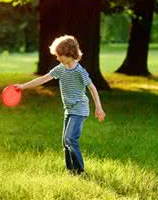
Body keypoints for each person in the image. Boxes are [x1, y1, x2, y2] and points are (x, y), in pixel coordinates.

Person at [14, 35, 106, 175]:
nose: (58, 58)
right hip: (68, 110)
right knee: (65, 142)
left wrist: (98, 107)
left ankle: (80, 170)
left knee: (70, 139)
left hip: (79, 109)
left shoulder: (80, 71)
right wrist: (23, 86)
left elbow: (92, 88)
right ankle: (71, 170)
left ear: (69, 53)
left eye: (59, 55)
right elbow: (43, 78)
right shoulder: (61, 68)